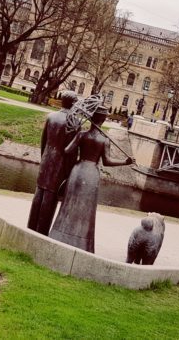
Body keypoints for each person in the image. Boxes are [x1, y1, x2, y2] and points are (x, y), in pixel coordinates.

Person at [49, 106, 134, 253]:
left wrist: (75, 136)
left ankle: (59, 235)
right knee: (86, 209)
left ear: (91, 118)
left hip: (78, 170)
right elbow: (107, 162)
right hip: (91, 175)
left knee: (69, 204)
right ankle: (83, 244)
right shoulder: (104, 140)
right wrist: (125, 162)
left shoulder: (82, 135)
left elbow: (67, 150)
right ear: (103, 120)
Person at [27, 90, 78, 235]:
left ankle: (30, 227)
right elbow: (71, 152)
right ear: (73, 103)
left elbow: (43, 141)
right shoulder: (74, 122)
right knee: (50, 198)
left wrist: (44, 158)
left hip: (46, 160)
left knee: (39, 193)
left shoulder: (51, 116)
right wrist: (69, 172)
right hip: (60, 165)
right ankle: (41, 232)